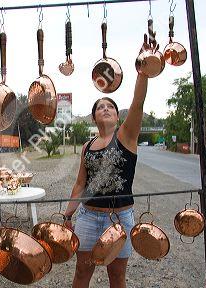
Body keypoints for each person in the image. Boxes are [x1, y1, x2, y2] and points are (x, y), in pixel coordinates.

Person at [63, 71, 148, 288]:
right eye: (100, 107)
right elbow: (81, 183)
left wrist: (143, 74)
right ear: (94, 117)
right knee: (82, 272)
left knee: (117, 276)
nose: (106, 109)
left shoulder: (127, 136)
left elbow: (137, 104)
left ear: (118, 116)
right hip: (88, 217)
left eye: (110, 106)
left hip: (121, 218)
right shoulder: (87, 146)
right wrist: (68, 215)